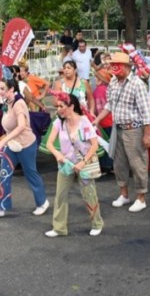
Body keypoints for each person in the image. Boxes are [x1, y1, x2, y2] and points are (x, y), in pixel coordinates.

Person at [92, 52, 150, 213]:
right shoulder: (113, 82)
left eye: (117, 64)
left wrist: (147, 134)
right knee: (119, 163)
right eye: (112, 64)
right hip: (117, 128)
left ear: (126, 67)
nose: (113, 67)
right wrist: (97, 119)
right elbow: (110, 105)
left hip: (134, 129)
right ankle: (124, 194)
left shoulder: (137, 84)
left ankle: (141, 198)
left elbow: (147, 112)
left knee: (137, 163)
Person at [0, 78, 49, 218]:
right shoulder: (6, 103)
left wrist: (3, 142)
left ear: (12, 89)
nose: (0, 92)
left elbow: (21, 126)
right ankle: (1, 207)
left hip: (26, 145)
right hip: (12, 146)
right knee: (4, 173)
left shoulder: (19, 104)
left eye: (3, 89)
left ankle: (42, 202)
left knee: (30, 173)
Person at [44, 93, 104, 237]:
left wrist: (83, 162)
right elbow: (49, 143)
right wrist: (57, 154)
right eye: (57, 106)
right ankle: (59, 228)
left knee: (89, 194)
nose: (58, 109)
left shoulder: (84, 122)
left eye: (61, 106)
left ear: (71, 106)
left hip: (83, 164)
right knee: (60, 195)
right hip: (65, 163)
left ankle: (97, 223)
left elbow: (94, 144)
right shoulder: (58, 123)